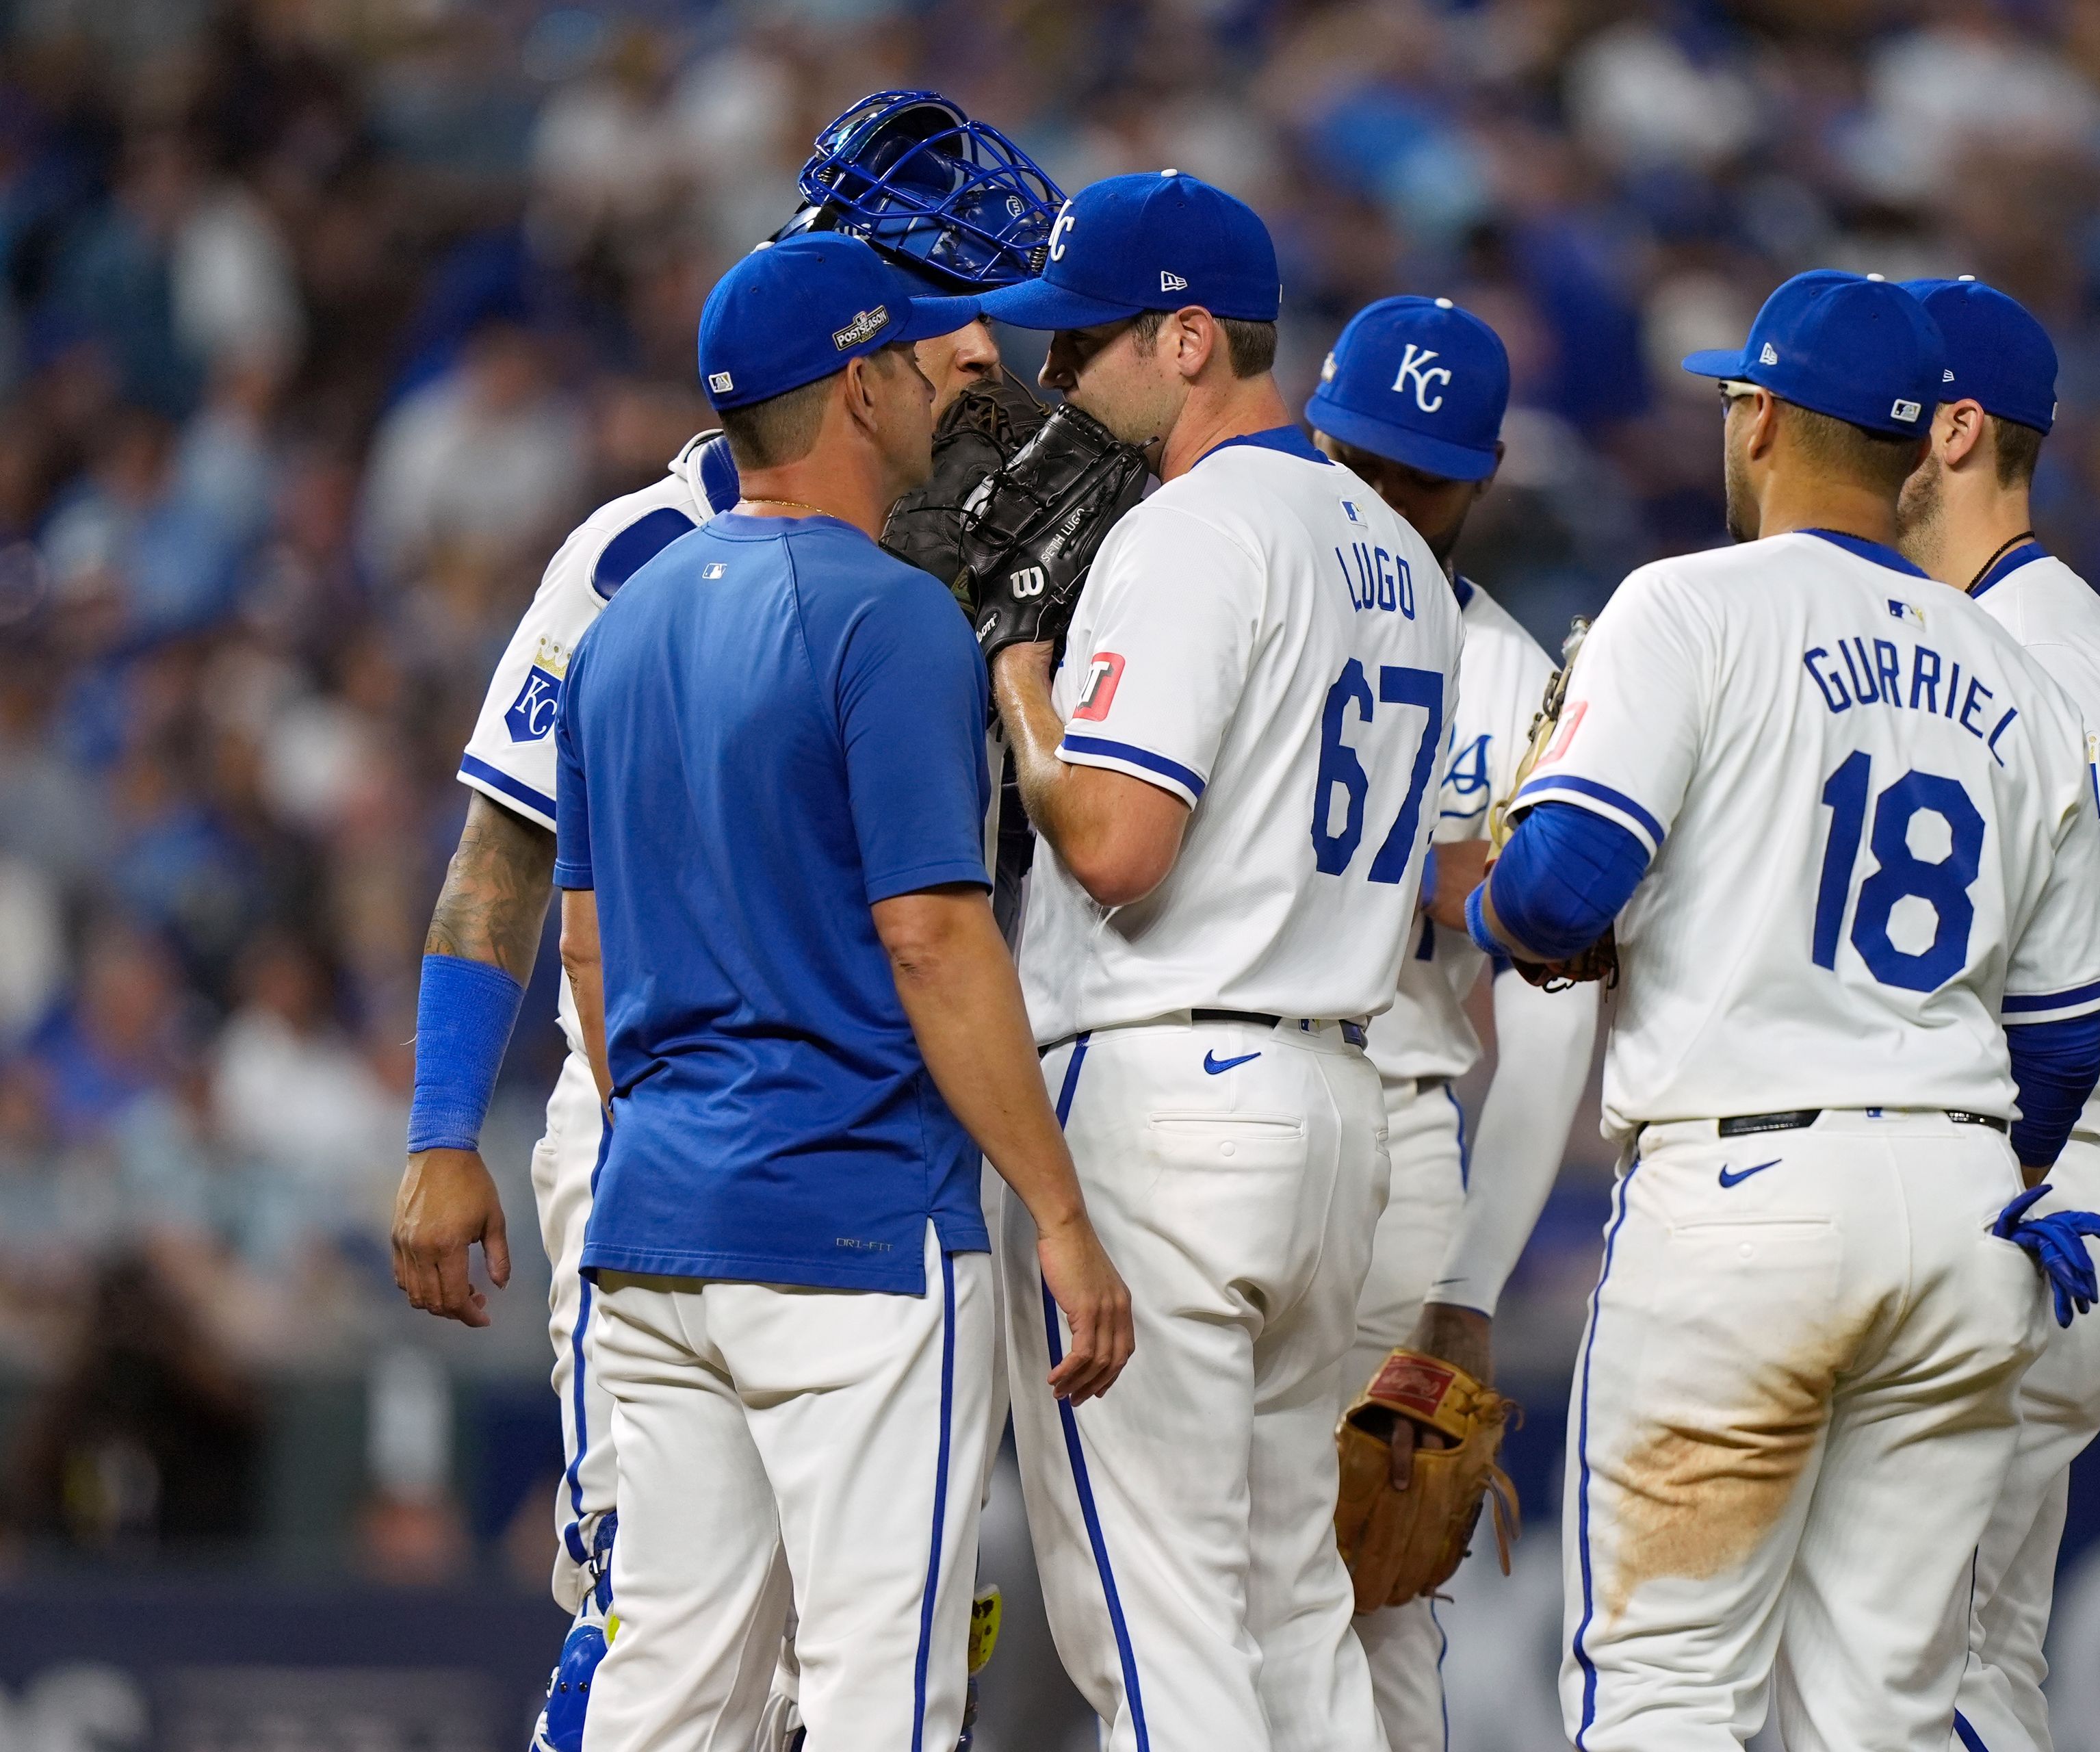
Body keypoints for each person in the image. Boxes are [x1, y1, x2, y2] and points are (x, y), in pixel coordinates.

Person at [383, 89, 1063, 1743]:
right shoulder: (639, 549)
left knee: (864, 1650)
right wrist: (436, 1124)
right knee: (669, 1637)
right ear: (860, 342)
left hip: (897, 1146)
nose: (986, 350)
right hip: (689, 1138)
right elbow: (502, 861)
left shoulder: (986, 554)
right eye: (950, 308)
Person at [1462, 270, 2100, 1752]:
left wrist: (1499, 911)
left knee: (1668, 1689)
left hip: (1743, 1191)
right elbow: (2067, 1036)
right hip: (1963, 1206)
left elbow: (1562, 888)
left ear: (1756, 418)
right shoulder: (2016, 670)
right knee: (1880, 1713)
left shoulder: (1688, 605)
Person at [552, 235, 1130, 1749]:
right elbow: (936, 940)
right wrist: (1062, 1217)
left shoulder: (622, 629)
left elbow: (589, 954)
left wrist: (687, 1140)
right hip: (856, 1229)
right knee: (885, 1694)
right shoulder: (892, 616)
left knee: (667, 1684)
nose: (946, 376)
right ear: (858, 384)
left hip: (661, 1224)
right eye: (913, 353)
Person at [973, 171, 1463, 1752]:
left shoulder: (1192, 529)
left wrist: (1021, 686)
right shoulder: (1394, 552)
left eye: (1086, 343)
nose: (1057, 377)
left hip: (1169, 1096)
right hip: (1335, 1096)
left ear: (1189, 339)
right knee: (1295, 1607)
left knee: (1156, 1619)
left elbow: (1113, 846)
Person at [1301, 293, 1600, 1752]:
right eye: (1360, 462)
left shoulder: (1514, 674)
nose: (1384, 498)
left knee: (1374, 1591)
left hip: (1394, 1123)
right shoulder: (1232, 592)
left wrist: (1474, 1275)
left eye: (1414, 476)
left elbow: (1553, 1008)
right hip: (1245, 1109)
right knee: (1213, 1593)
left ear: (1479, 481)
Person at [1895, 276, 2100, 1752]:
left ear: (1953, 431)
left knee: (1891, 1661)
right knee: (1972, 1669)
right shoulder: (1977, 622)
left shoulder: (2045, 638)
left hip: (2049, 1188)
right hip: (2059, 1186)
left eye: (1876, 401)